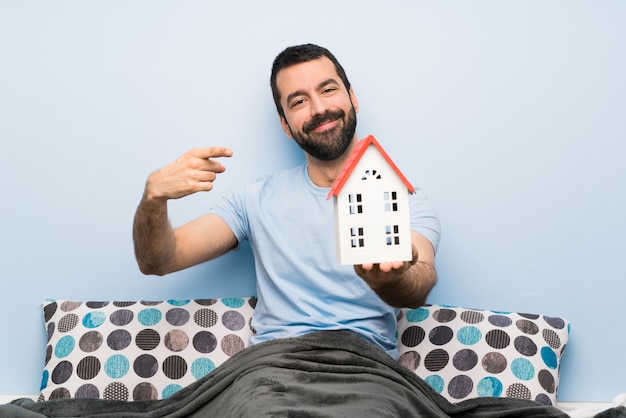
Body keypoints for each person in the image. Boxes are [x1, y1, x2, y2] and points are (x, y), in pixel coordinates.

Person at [132, 43, 441, 360]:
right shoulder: (253, 200)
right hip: (271, 369)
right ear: (285, 125)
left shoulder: (408, 203)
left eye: (328, 89)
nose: (319, 108)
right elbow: (158, 261)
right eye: (299, 101)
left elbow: (419, 281)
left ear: (353, 98)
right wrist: (153, 199)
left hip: (365, 366)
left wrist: (392, 278)